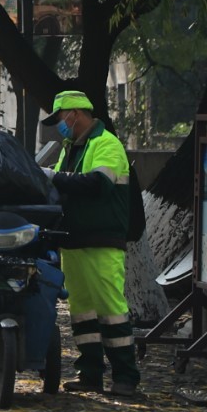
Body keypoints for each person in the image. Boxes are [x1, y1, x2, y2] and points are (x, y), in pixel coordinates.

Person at [40, 88, 139, 396]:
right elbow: (57, 190)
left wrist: (51, 176)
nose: (60, 125)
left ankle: (125, 377)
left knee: (111, 309)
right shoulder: (70, 148)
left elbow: (98, 185)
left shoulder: (106, 144)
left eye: (61, 118)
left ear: (76, 114)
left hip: (102, 240)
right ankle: (90, 374)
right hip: (73, 241)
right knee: (82, 312)